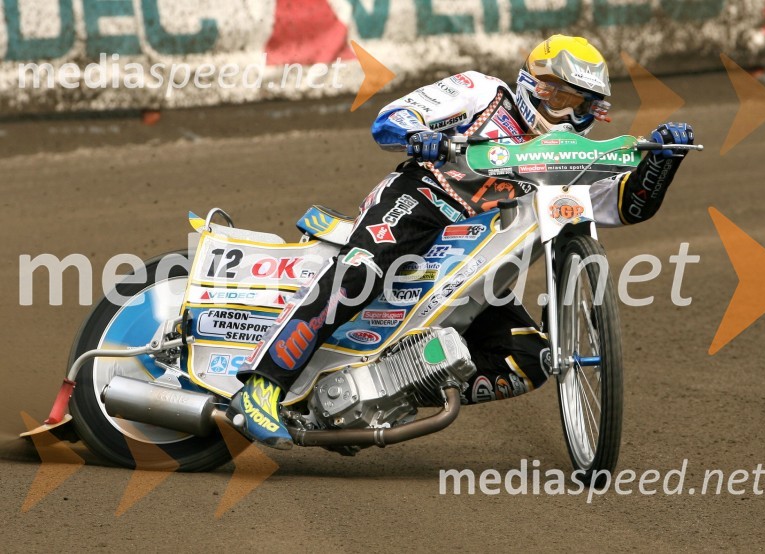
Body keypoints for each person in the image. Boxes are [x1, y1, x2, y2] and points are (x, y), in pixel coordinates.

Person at [227, 34, 694, 449]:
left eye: (583, 106)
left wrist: (662, 163)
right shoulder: (481, 91)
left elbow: (625, 206)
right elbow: (391, 118)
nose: (569, 115)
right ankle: (264, 385)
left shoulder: (573, 159)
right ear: (532, 86)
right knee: (360, 272)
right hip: (422, 201)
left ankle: (386, 392)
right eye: (559, 98)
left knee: (529, 358)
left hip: (476, 258)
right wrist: (420, 135)